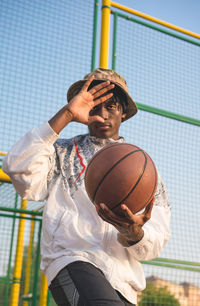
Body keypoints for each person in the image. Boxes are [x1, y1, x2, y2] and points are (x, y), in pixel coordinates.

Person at [3, 68, 171, 306]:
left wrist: (134, 234)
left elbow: (155, 241)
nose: (102, 114)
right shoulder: (60, 152)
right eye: (94, 105)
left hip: (124, 281)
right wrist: (66, 114)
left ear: (123, 112)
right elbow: (17, 168)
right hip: (72, 260)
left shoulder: (145, 171)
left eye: (111, 106)